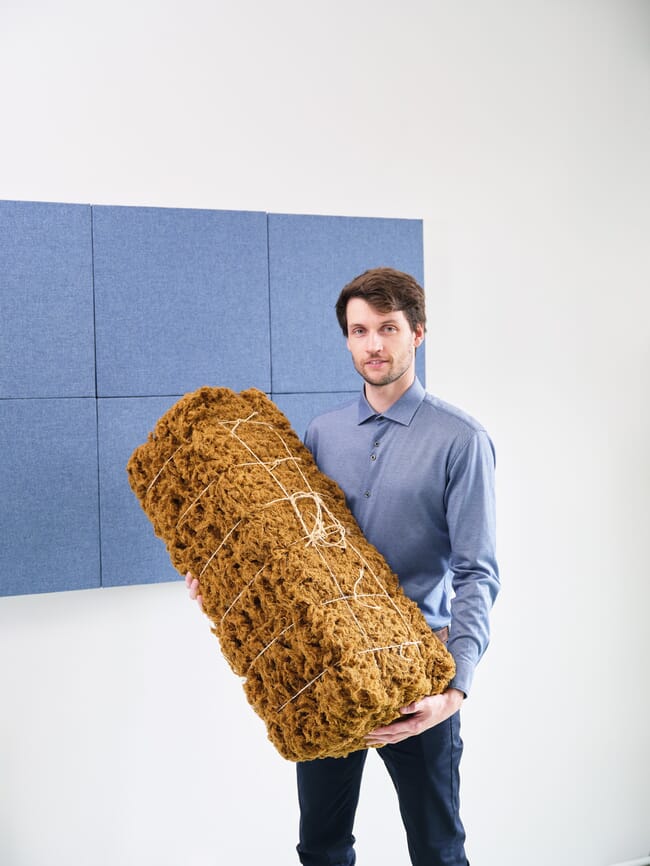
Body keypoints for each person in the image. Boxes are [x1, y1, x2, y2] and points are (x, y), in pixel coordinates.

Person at [186, 266, 499, 866]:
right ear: (347, 339)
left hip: (417, 680)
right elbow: (290, 549)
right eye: (359, 331)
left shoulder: (461, 439)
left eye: (387, 328)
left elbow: (477, 572)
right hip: (324, 667)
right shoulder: (322, 433)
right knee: (322, 846)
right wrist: (225, 582)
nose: (373, 345)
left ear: (418, 334)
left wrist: (454, 689)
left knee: (437, 848)